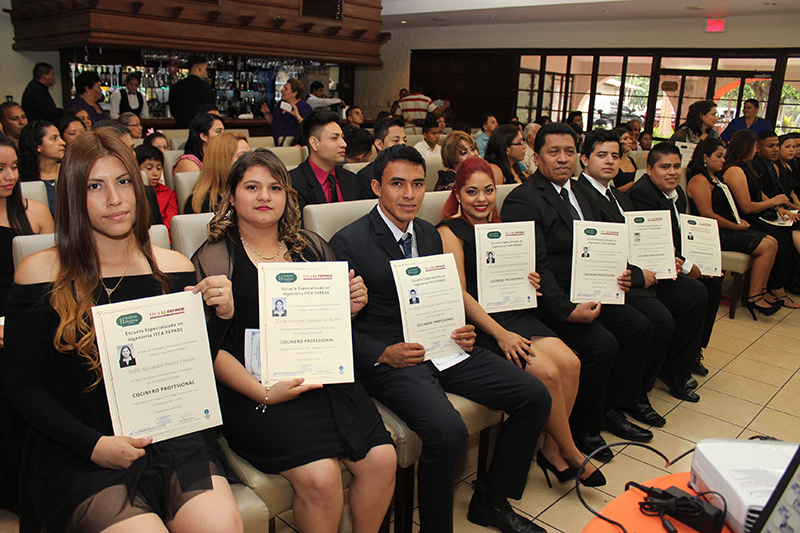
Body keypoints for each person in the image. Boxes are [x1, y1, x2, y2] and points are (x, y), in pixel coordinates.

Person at [4, 128, 243, 533]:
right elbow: (22, 386)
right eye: (95, 186)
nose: (114, 199)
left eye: (123, 182)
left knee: (222, 527)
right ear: (72, 197)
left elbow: (191, 371)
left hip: (169, 436)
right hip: (80, 445)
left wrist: (220, 318)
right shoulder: (39, 273)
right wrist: (93, 446)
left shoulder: (172, 267)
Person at [329, 144, 551, 533]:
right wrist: (383, 352)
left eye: (417, 184)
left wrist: (462, 327)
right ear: (377, 187)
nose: (409, 194)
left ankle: (492, 501)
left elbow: (447, 298)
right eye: (398, 184)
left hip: (445, 346)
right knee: (448, 433)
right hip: (395, 359)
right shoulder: (349, 241)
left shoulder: (430, 235)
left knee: (534, 396)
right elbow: (334, 326)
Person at [192, 148, 396, 533]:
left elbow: (330, 324)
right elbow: (209, 350)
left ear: (287, 196)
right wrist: (264, 392)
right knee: (322, 478)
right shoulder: (215, 258)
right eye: (252, 187)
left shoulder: (311, 247)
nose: (265, 196)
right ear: (232, 196)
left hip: (321, 378)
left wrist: (351, 306)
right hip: (253, 389)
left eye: (275, 187)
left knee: (382, 459)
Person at [437, 156, 605, 488]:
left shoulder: (502, 229)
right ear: (457, 194)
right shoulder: (448, 231)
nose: (481, 199)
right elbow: (460, 295)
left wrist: (530, 282)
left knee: (570, 363)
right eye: (472, 192)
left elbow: (518, 278)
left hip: (514, 312)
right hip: (483, 323)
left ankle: (552, 449)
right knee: (547, 372)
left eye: (488, 190)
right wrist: (501, 336)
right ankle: (572, 453)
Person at [501, 122, 654, 458]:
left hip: (593, 287)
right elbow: (536, 267)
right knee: (602, 345)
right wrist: (567, 310)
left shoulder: (582, 192)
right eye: (553, 151)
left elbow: (607, 240)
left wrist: (624, 273)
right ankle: (582, 426)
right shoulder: (522, 199)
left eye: (569, 151)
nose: (562, 158)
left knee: (639, 327)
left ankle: (611, 407)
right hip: (551, 300)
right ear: (536, 156)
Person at [580, 132, 706, 404]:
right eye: (602, 155)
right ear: (584, 160)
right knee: (658, 320)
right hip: (616, 279)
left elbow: (637, 241)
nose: (610, 162)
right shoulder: (581, 196)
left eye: (615, 156)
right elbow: (600, 251)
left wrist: (663, 258)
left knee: (695, 292)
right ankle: (634, 395)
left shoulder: (619, 197)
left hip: (638, 271)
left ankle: (671, 372)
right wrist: (641, 273)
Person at [627, 143, 725, 380]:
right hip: (652, 267)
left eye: (676, 166)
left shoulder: (675, 193)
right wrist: (690, 267)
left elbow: (679, 234)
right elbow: (652, 248)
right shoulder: (642, 195)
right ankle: (676, 366)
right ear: (649, 169)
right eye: (664, 167)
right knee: (695, 290)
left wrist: (701, 260)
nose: (672, 172)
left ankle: (692, 352)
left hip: (673, 258)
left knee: (713, 283)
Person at [0, 132, 53, 514]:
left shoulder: (33, 210)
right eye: (0, 168)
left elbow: (57, 273)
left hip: (36, 312)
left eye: (14, 167)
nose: (8, 175)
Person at [686, 138, 780, 319]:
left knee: (773, 241)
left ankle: (760, 290)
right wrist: (735, 226)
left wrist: (739, 221)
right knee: (766, 247)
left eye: (724, 156)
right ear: (705, 157)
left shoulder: (716, 178)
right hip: (710, 232)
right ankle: (754, 297)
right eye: (719, 156)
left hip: (726, 227)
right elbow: (707, 215)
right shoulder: (699, 180)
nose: (723, 160)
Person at [722, 130, 800, 309]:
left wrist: (778, 207)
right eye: (755, 146)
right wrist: (773, 202)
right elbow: (747, 207)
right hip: (747, 218)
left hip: (758, 214)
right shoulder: (735, 170)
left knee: (786, 233)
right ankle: (768, 290)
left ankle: (768, 288)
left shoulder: (747, 167)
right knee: (780, 240)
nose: (756, 150)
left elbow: (760, 194)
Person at [289, 109, 360, 211]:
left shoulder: (351, 179)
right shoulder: (292, 183)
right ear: (314, 143)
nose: (343, 144)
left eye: (342, 137)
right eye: (334, 138)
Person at [185, 132, 249, 214]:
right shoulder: (203, 203)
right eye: (242, 157)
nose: (250, 161)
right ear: (222, 162)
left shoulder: (254, 195)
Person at [18, 121, 65, 215]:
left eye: (60, 137)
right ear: (37, 146)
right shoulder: (24, 179)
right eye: (54, 138)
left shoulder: (70, 171)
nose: (63, 142)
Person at [356, 116, 406, 198]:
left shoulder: (410, 170)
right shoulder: (366, 176)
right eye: (396, 141)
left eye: (405, 140)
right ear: (379, 144)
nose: (402, 144)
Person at [135, 144, 177, 232]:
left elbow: (170, 226)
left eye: (158, 168)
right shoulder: (131, 193)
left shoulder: (169, 194)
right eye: (149, 168)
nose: (155, 173)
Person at [261, 78, 312, 145]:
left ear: (294, 93)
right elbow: (273, 122)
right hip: (276, 144)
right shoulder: (279, 105)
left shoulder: (304, 107)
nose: (282, 90)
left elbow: (308, 128)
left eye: (286, 89)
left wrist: (297, 116)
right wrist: (266, 114)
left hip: (292, 145)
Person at [169, 55, 215, 128]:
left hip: (180, 128)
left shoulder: (175, 87)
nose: (206, 73)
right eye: (205, 69)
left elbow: (173, 111)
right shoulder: (205, 88)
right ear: (200, 68)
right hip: (199, 129)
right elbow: (211, 112)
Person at [750, 130, 786, 200]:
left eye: (777, 145)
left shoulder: (771, 164)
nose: (776, 149)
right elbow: (759, 195)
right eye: (770, 146)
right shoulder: (755, 165)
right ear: (758, 148)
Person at [610, 127, 638, 192]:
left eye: (630, 138)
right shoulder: (610, 162)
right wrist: (627, 187)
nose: (630, 141)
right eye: (625, 139)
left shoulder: (633, 161)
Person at [777, 134, 799, 204]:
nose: (792, 150)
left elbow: (792, 193)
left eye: (794, 147)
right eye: (787, 147)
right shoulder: (774, 166)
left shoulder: (788, 166)